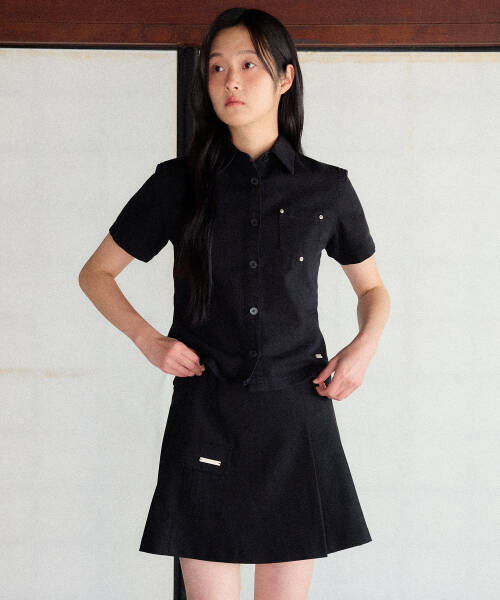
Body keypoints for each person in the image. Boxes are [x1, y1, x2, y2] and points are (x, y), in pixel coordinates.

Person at [79, 7, 390, 600]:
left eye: (249, 65)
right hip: (207, 411)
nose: (231, 81)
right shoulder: (176, 183)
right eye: (217, 67)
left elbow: (373, 290)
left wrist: (362, 349)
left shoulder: (326, 188)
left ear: (286, 78)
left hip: (296, 414)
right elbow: (96, 274)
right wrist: (149, 340)